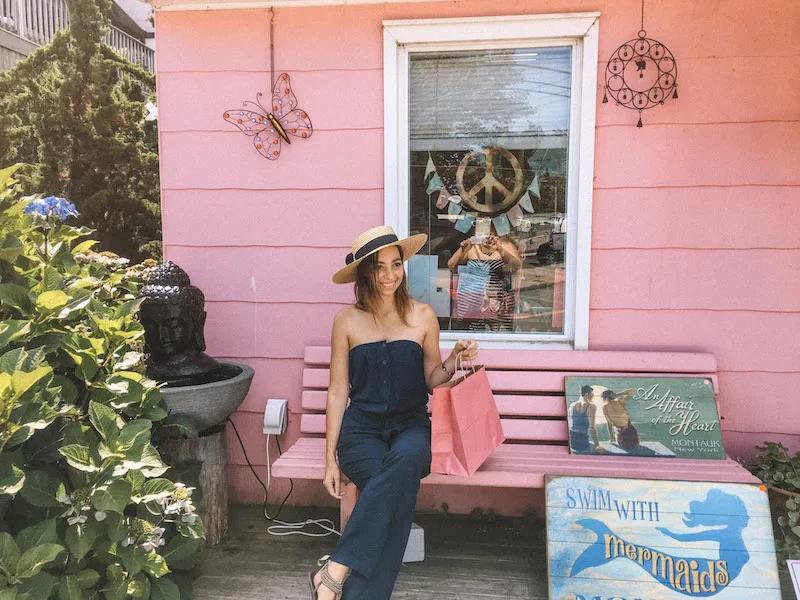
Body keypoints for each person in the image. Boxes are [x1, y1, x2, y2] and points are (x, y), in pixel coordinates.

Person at [309, 225, 479, 600]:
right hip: (361, 430)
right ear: (365, 273)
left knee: (403, 466)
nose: (389, 275)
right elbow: (338, 391)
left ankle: (333, 572)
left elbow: (434, 381)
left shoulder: (423, 316)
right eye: (379, 267)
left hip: (411, 427)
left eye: (396, 264)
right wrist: (329, 460)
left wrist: (453, 360)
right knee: (396, 497)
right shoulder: (346, 321)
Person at [447, 228, 521, 332]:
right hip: (472, 299)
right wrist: (465, 249)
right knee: (471, 333)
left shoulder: (505, 245)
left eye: (492, 228)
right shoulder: (472, 244)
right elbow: (451, 266)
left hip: (498, 298)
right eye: (484, 226)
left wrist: (499, 247)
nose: (488, 232)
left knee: (498, 334)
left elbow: (516, 266)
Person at [568, 385, 605, 454]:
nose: (593, 396)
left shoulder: (572, 405)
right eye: (592, 394)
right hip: (583, 443)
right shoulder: (591, 407)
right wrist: (597, 446)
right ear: (587, 395)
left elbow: (569, 424)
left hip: (572, 442)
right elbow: (592, 428)